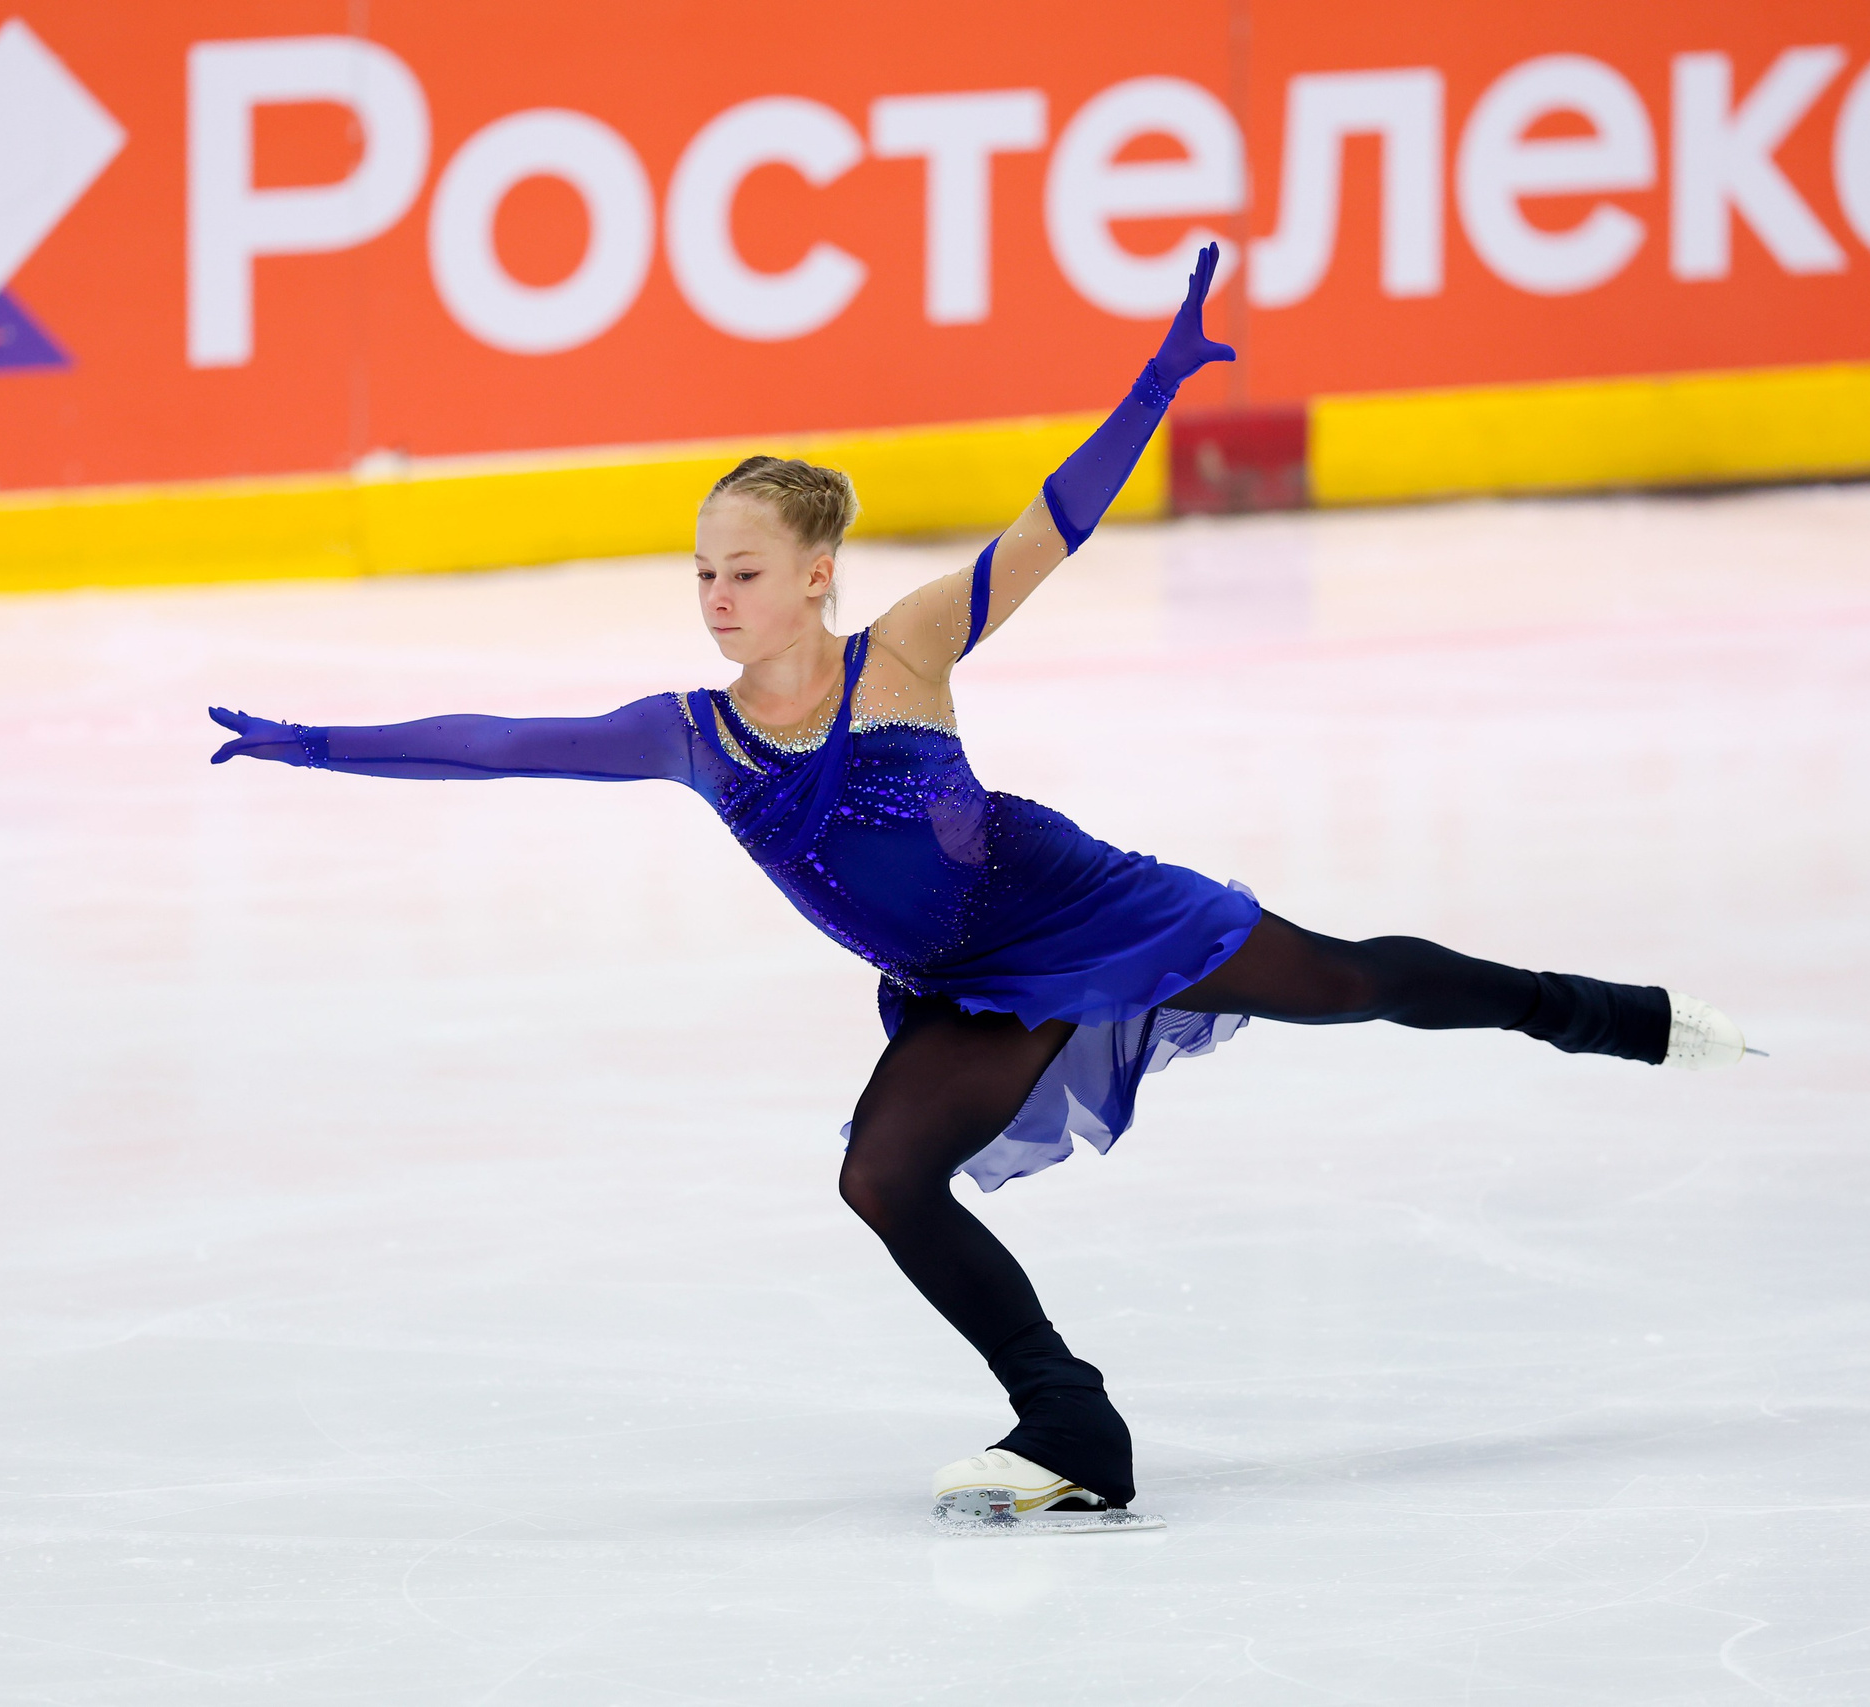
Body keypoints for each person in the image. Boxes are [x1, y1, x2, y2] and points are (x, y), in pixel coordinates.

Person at [209, 244, 1749, 1533]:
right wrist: (312, 742)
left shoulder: (911, 648)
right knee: (881, 1175)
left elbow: (1054, 524)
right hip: (969, 987)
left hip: (1083, 908)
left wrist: (1152, 384)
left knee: (1353, 983)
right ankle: (1073, 1430)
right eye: (700, 573)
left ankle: (1599, 1014)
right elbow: (494, 746)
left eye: (742, 571)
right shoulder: (688, 737)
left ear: (815, 572)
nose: (715, 599)